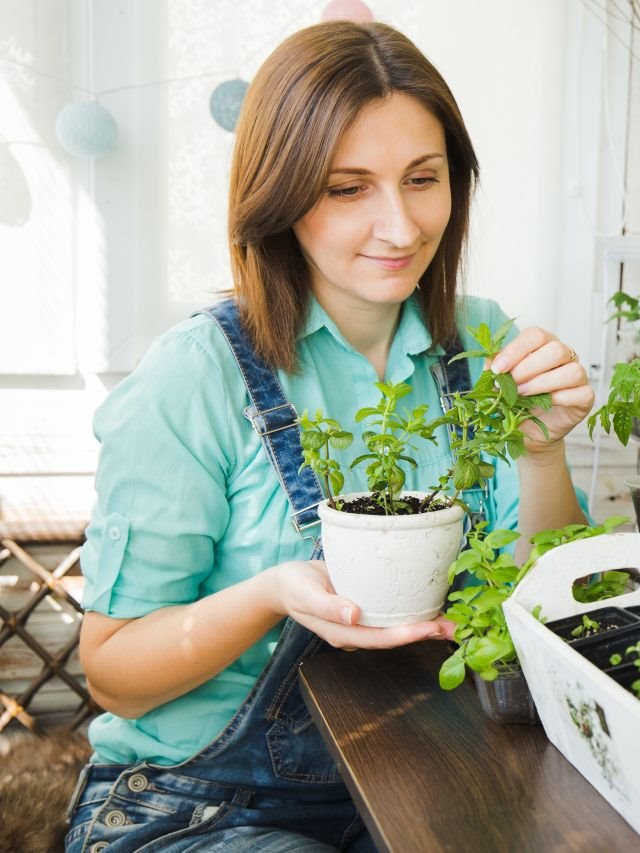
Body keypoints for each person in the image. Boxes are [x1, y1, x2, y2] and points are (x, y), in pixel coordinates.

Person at [66, 20, 592, 852]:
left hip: (433, 776)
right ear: (280, 194)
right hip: (205, 806)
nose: (400, 225)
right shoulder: (197, 374)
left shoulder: (488, 345)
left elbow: (556, 602)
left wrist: (544, 452)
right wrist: (274, 593)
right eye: (349, 188)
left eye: (423, 178)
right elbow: (114, 673)